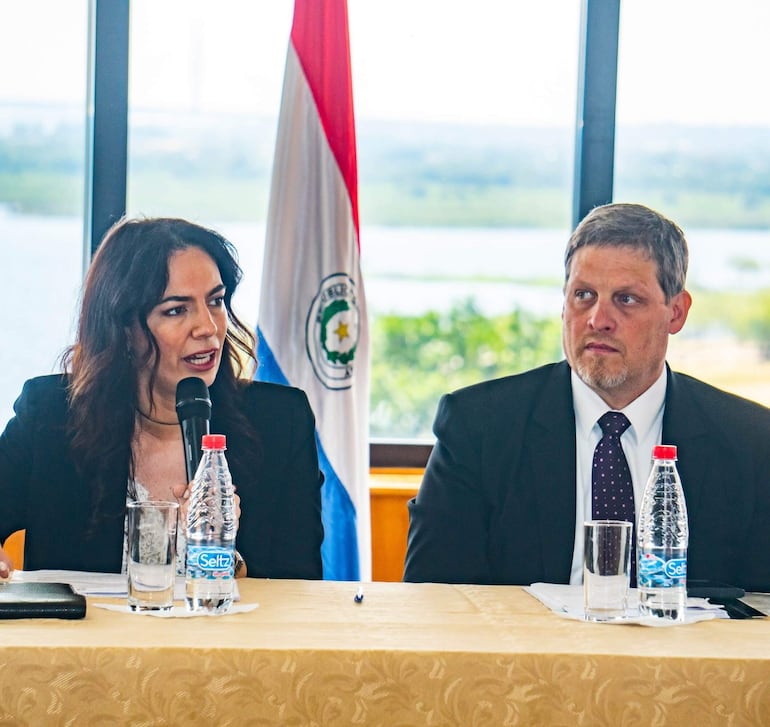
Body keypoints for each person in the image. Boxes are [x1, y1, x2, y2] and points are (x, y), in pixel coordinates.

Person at [404, 202, 770, 592]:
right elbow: (433, 596)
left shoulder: (750, 441)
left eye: (626, 299)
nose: (598, 319)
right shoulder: (478, 427)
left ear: (676, 313)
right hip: (528, 652)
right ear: (563, 303)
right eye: (584, 295)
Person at [0, 217, 324, 579]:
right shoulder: (50, 414)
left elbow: (302, 581)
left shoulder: (280, 421)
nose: (208, 327)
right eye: (176, 310)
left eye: (215, 301)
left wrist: (221, 553)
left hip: (229, 637)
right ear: (123, 328)